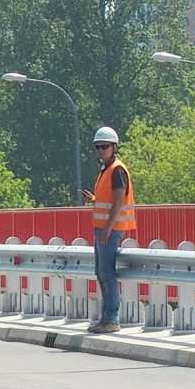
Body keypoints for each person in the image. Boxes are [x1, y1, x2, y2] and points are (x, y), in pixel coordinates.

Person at [81, 126, 135, 334]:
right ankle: (106, 319)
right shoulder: (107, 170)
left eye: (105, 146)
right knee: (101, 272)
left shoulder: (117, 170)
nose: (101, 150)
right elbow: (109, 200)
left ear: (114, 147)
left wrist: (108, 228)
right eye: (98, 147)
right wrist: (94, 200)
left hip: (109, 230)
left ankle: (111, 319)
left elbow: (119, 201)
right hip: (103, 229)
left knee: (107, 273)